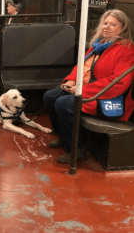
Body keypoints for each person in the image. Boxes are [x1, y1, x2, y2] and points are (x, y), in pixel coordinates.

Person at [43, 9, 134, 164]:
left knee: (64, 103)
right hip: (87, 90)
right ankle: (63, 135)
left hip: (107, 98)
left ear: (123, 28)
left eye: (113, 24)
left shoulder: (126, 49)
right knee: (50, 97)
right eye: (105, 23)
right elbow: (81, 66)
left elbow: (119, 82)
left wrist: (81, 91)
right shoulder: (98, 45)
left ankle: (77, 149)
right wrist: (71, 81)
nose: (106, 27)